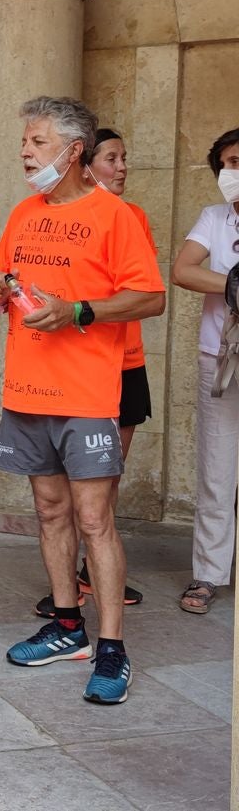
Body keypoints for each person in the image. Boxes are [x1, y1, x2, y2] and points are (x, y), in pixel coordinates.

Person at [0, 97, 164, 705]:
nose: (25, 152)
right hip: (29, 390)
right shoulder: (24, 212)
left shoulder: (115, 216)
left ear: (73, 151)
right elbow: (7, 281)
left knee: (95, 521)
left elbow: (149, 296)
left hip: (88, 394)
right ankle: (67, 627)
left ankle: (112, 648)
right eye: (26, 141)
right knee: (51, 513)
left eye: (36, 141)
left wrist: (80, 311)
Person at [32, 128, 148, 618]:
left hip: (123, 369)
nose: (120, 167)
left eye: (124, 158)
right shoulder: (37, 214)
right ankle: (68, 601)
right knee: (61, 502)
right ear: (86, 163)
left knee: (100, 496)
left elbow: (144, 294)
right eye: (111, 158)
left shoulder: (127, 217)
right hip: (61, 377)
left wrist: (79, 310)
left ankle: (95, 586)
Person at [170, 126, 239, 614]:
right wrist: (233, 283)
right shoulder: (214, 218)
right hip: (222, 357)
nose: (237, 171)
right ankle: (209, 574)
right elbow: (182, 269)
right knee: (217, 469)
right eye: (231, 163)